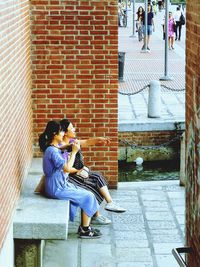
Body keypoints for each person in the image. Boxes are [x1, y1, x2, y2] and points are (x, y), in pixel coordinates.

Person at [39, 120, 102, 239]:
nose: (63, 134)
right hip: (57, 188)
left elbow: (61, 148)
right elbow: (67, 168)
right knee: (88, 196)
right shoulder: (52, 151)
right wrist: (73, 152)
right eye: (61, 132)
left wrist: (70, 146)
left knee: (87, 193)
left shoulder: (52, 147)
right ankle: (85, 230)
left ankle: (85, 227)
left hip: (58, 185)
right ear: (54, 134)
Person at [59, 119, 126, 225]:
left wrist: (99, 139)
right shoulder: (62, 148)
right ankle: (96, 216)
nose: (74, 129)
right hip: (70, 177)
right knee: (91, 188)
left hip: (80, 173)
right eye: (72, 128)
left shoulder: (73, 142)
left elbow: (87, 142)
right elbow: (65, 168)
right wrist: (79, 170)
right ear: (65, 132)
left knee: (97, 176)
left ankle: (109, 204)